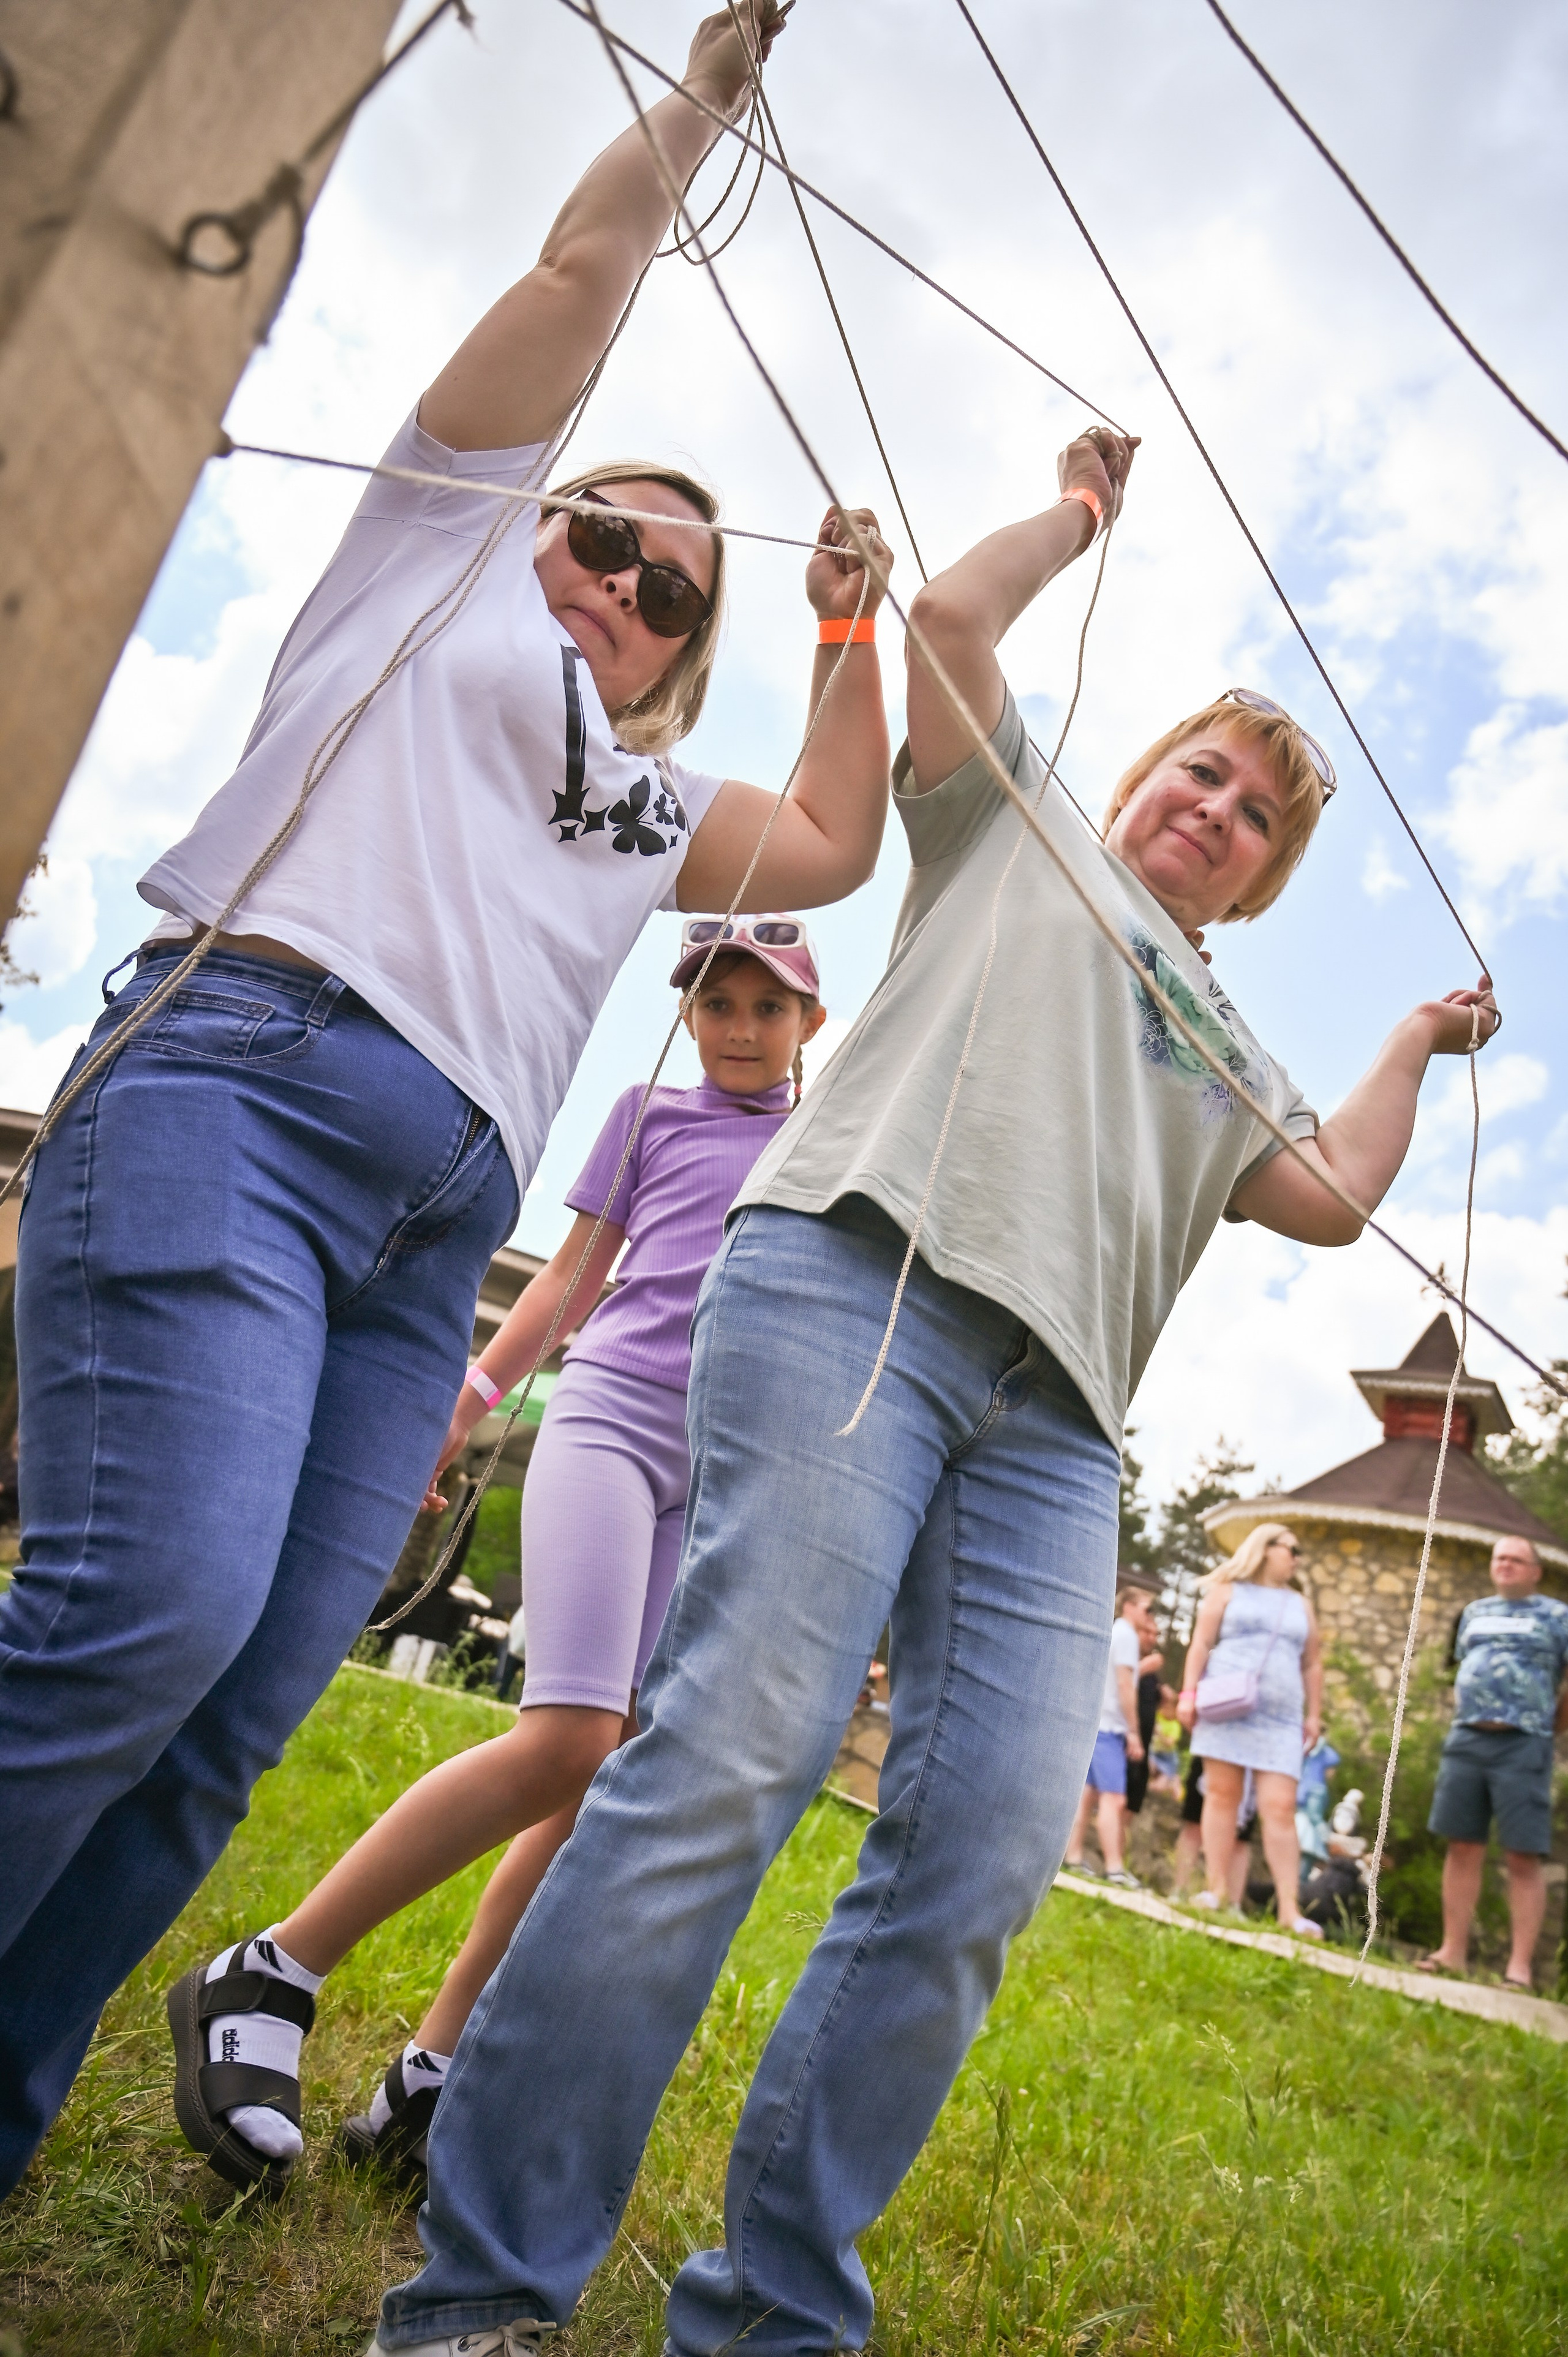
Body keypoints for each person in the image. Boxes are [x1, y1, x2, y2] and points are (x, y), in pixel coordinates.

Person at [366, 417, 1499, 2357]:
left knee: (976, 1852)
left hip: (1057, 1422)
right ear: (1137, 772)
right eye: (1196, 769)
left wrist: (1404, 1034)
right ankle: (483, 2290)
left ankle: (773, 2313)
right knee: (728, 1750)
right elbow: (952, 616)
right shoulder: (1019, 810)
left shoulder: (1220, 1028)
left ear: (1258, 882)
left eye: (1248, 813)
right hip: (848, 1284)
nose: (1209, 805)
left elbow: (1326, 1192)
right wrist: (1073, 515)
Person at [0, 0, 895, 2199]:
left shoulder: (652, 799)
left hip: (425, 1240)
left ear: (685, 650)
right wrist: (700, 103)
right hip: (247, 1073)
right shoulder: (438, 552)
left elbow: (839, 841)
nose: (613, 573)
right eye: (598, 530)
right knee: (151, 1605)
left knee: (224, 1727)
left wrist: (851, 635)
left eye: (664, 582)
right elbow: (581, 276)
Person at [164, 926, 827, 2192]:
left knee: (595, 1781)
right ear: (688, 1015)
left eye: (766, 1007)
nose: (740, 1027)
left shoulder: (825, 1136)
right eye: (718, 1003)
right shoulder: (646, 1116)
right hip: (611, 1421)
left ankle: (435, 2067)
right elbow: (571, 1280)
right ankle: (275, 1965)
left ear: (810, 1021)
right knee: (567, 1737)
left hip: (722, 1471)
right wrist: (468, 1400)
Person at [1417, 1535, 1568, 1991]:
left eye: (1516, 1559)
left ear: (1536, 1571)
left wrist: (1548, 1727)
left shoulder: (1558, 1617)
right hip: (1467, 1738)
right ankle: (1452, 1952)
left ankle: (1518, 1969)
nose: (1505, 1565)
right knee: (1461, 1845)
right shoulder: (1473, 1613)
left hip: (1523, 1744)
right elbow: (1461, 1667)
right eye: (1499, 1558)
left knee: (1523, 1854)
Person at [1177, 1524, 1324, 1936]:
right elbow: (1201, 1643)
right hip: (1227, 1705)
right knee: (1222, 1795)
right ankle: (1216, 1890)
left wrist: (1314, 1714)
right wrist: (1189, 1694)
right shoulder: (1227, 1590)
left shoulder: (1300, 1604)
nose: (1297, 1558)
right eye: (1292, 1548)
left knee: (1279, 1806)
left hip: (1280, 1719)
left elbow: (1312, 1663)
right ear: (1265, 1549)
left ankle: (1290, 1910)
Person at [1063, 1586, 1156, 1886]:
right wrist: (1133, 1732)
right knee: (1115, 1800)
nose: (1151, 1616)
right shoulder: (1128, 1635)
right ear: (1129, 1606)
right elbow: (1125, 1685)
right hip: (1111, 1729)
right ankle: (1115, 1869)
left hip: (1096, 1724)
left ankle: (1073, 1857)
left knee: (1086, 1796)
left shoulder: (1115, 1631)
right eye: (1147, 1609)